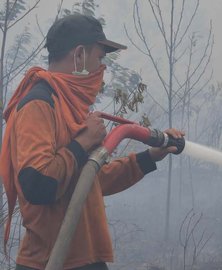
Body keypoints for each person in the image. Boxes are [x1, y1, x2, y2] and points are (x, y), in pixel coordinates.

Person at [0, 14, 183, 270]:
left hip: (84, 259)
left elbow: (90, 179)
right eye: (99, 59)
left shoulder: (69, 107)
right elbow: (38, 185)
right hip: (51, 262)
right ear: (79, 56)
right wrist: (82, 142)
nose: (101, 70)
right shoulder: (39, 105)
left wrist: (150, 156)